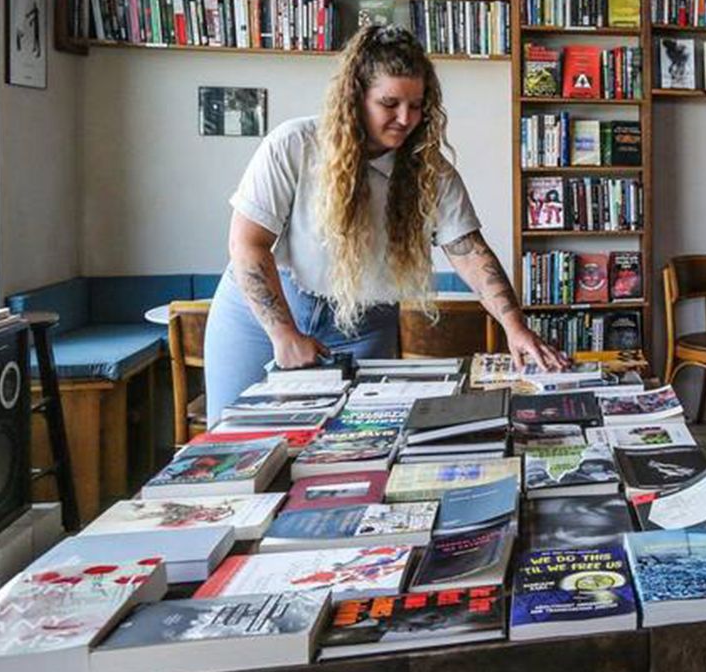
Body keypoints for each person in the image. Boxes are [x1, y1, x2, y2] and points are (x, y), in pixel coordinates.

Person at [204, 26, 566, 420]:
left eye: (416, 105)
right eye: (389, 103)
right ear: (355, 96)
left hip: (363, 322)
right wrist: (283, 333)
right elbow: (248, 244)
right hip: (261, 316)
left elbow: (469, 252)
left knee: (356, 440)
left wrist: (514, 326)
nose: (405, 118)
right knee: (236, 437)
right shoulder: (293, 143)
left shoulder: (431, 171)